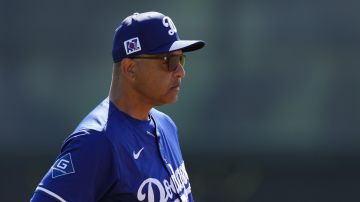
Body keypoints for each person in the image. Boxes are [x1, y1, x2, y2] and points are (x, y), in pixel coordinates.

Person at [30, 11, 205, 202]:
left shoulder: (166, 125)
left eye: (180, 59)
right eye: (169, 61)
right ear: (130, 68)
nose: (181, 71)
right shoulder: (96, 141)